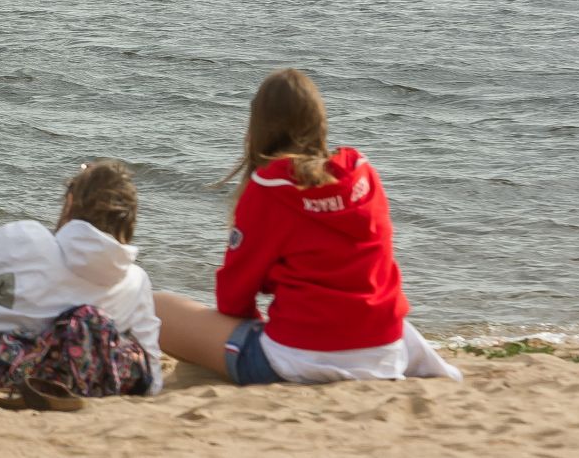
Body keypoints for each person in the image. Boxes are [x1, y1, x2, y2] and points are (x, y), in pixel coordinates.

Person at [153, 69, 462, 386]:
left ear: (258, 127)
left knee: (156, 307)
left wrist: (252, 330)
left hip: (300, 359)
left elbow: (234, 297)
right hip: (385, 348)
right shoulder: (362, 175)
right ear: (319, 122)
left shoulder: (269, 189)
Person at [0, 159, 163, 398]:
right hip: (84, 388)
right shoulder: (136, 281)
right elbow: (152, 377)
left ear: (70, 203)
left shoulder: (27, 241)